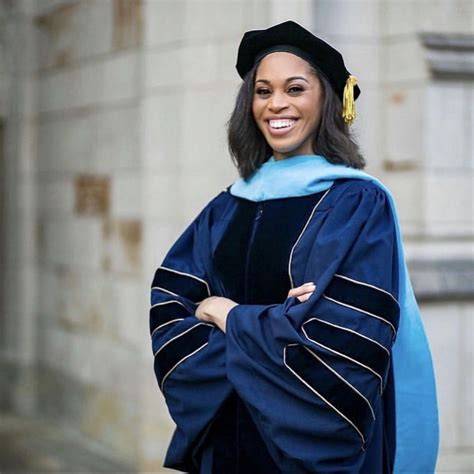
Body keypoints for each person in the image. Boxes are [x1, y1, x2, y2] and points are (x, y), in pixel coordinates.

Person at [149, 21, 439, 474]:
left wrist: (226, 315)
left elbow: (344, 341)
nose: (276, 104)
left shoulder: (356, 203)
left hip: (310, 449)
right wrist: (279, 325)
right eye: (263, 91)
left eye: (295, 88)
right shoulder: (226, 207)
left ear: (325, 100)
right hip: (225, 439)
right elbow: (171, 306)